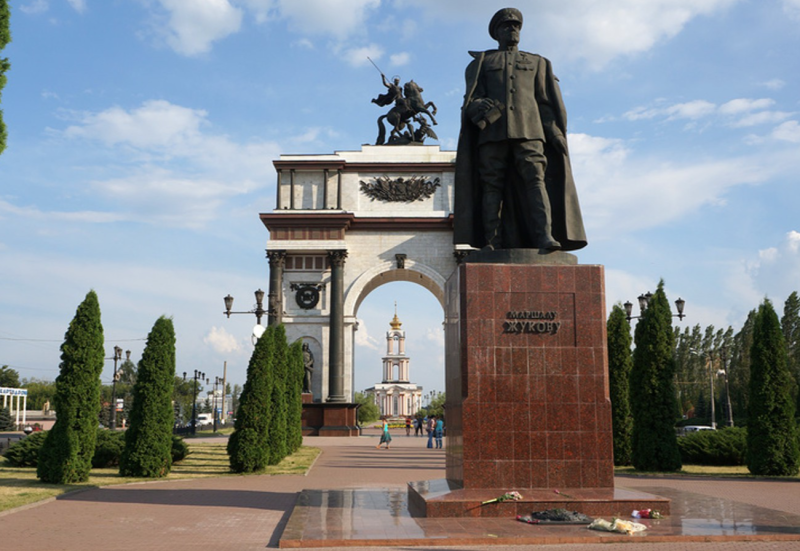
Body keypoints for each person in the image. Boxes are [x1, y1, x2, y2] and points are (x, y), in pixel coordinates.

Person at [454, 7, 587, 252]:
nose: (513, 29)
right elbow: (471, 99)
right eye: (507, 26)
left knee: (536, 181)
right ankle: (492, 242)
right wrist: (477, 106)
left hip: (531, 132)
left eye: (516, 26)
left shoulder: (538, 62)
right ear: (497, 32)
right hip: (492, 134)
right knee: (491, 186)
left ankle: (544, 236)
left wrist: (555, 132)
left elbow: (545, 102)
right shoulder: (482, 63)